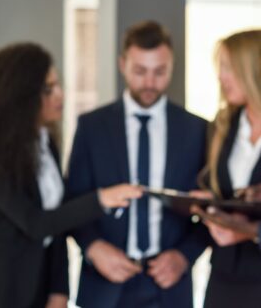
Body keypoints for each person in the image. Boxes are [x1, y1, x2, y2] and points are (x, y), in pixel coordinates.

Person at [0, 42, 142, 308]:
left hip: (38, 292)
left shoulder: (45, 143)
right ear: (21, 96)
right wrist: (101, 199)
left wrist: (59, 291)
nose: (60, 95)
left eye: (57, 85)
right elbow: (36, 223)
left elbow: (58, 224)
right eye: (48, 89)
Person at [66, 20, 208, 308]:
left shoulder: (197, 130)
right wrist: (93, 248)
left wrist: (184, 257)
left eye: (159, 72)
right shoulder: (91, 126)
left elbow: (209, 207)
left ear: (172, 65)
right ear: (123, 64)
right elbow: (73, 201)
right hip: (103, 284)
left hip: (170, 286)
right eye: (140, 71)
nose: (149, 83)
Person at [190, 29, 261, 308]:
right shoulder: (222, 126)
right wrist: (212, 206)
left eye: (228, 67)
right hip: (224, 277)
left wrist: (250, 231)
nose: (221, 76)